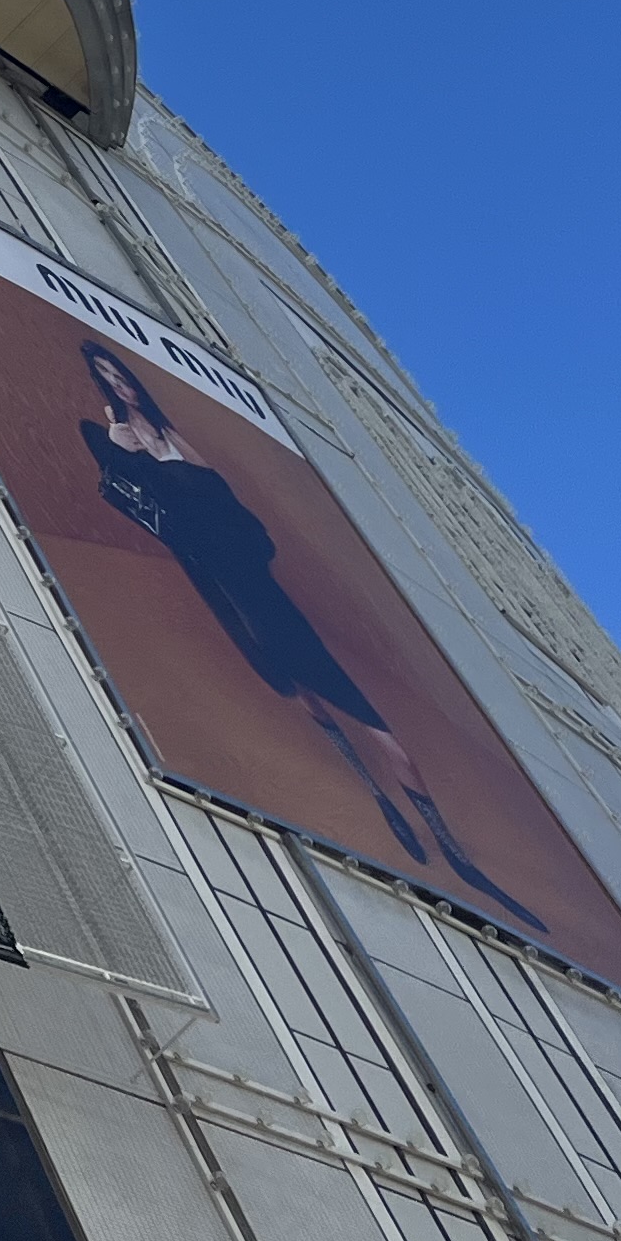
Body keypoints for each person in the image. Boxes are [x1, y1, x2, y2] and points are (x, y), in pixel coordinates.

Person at [77, 340, 547, 934]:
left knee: (359, 707)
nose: (119, 383)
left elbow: (236, 510)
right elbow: (143, 504)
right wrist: (123, 447)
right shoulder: (119, 438)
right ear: (102, 384)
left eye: (121, 373)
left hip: (257, 582)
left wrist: (243, 539)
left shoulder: (175, 436)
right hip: (219, 583)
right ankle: (378, 797)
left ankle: (446, 843)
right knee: (298, 689)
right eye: (106, 376)